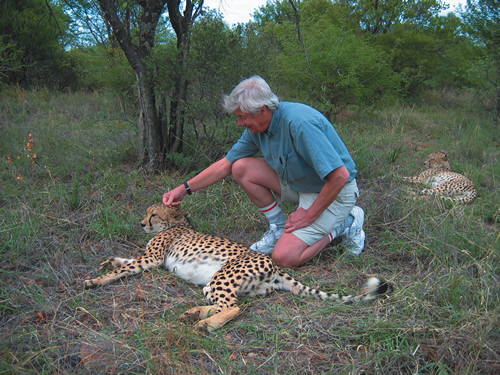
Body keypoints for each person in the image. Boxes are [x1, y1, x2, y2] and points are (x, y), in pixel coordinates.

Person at [163, 76, 365, 268]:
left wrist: (309, 215)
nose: (239, 123)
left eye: (242, 117)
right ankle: (278, 228)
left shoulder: (300, 123)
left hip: (335, 193)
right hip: (300, 185)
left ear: (263, 110)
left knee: (284, 257)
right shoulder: (258, 128)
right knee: (240, 167)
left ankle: (346, 224)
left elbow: (340, 176)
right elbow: (226, 165)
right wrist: (184, 188)